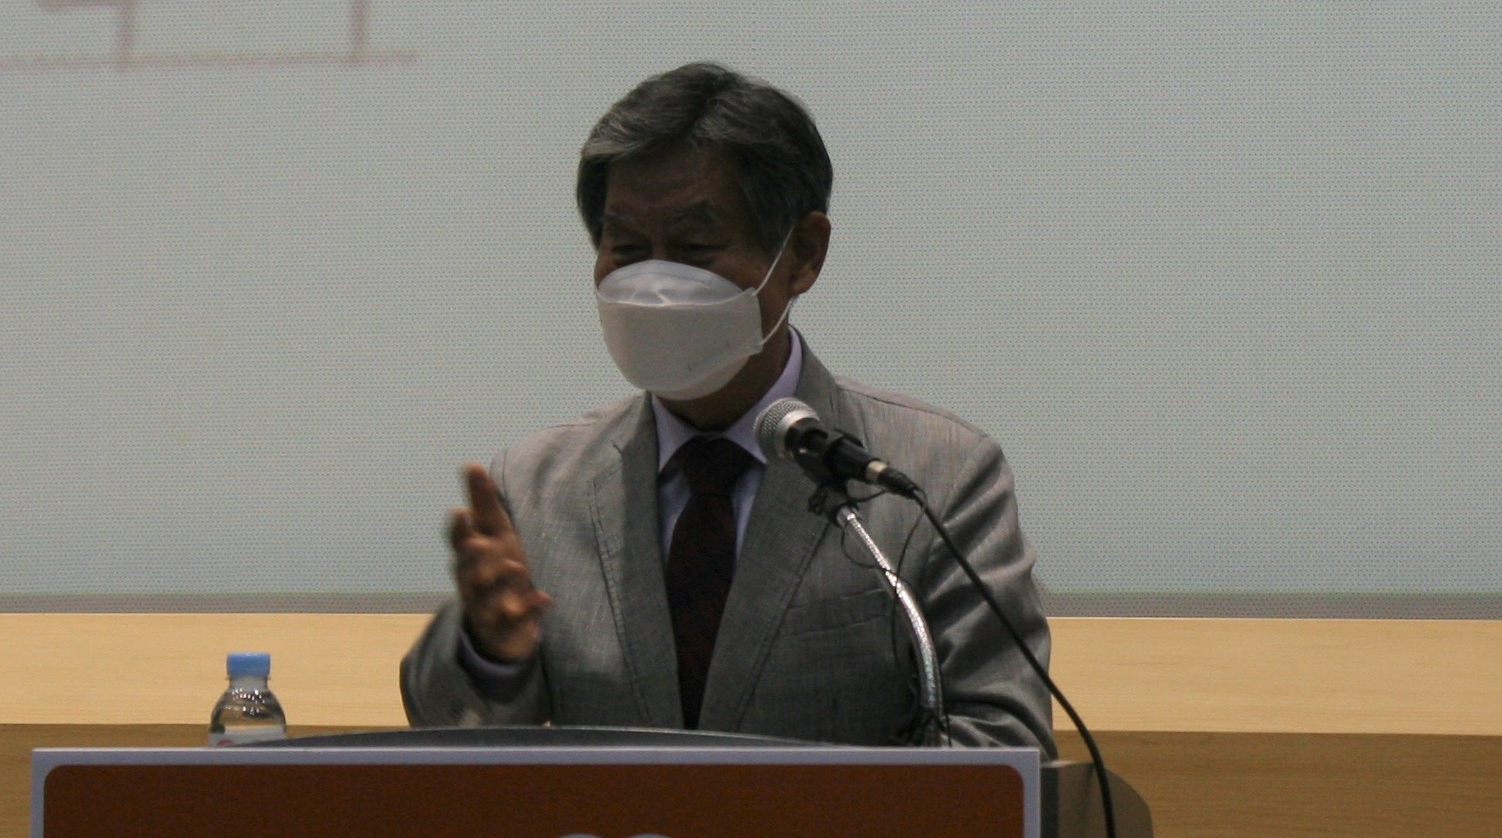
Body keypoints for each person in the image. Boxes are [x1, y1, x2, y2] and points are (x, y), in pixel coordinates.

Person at [402, 63, 1053, 751]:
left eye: (694, 249)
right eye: (627, 249)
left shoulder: (933, 477)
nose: (654, 285)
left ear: (803, 255)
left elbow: (1003, 742)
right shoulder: (536, 487)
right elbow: (451, 740)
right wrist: (490, 652)